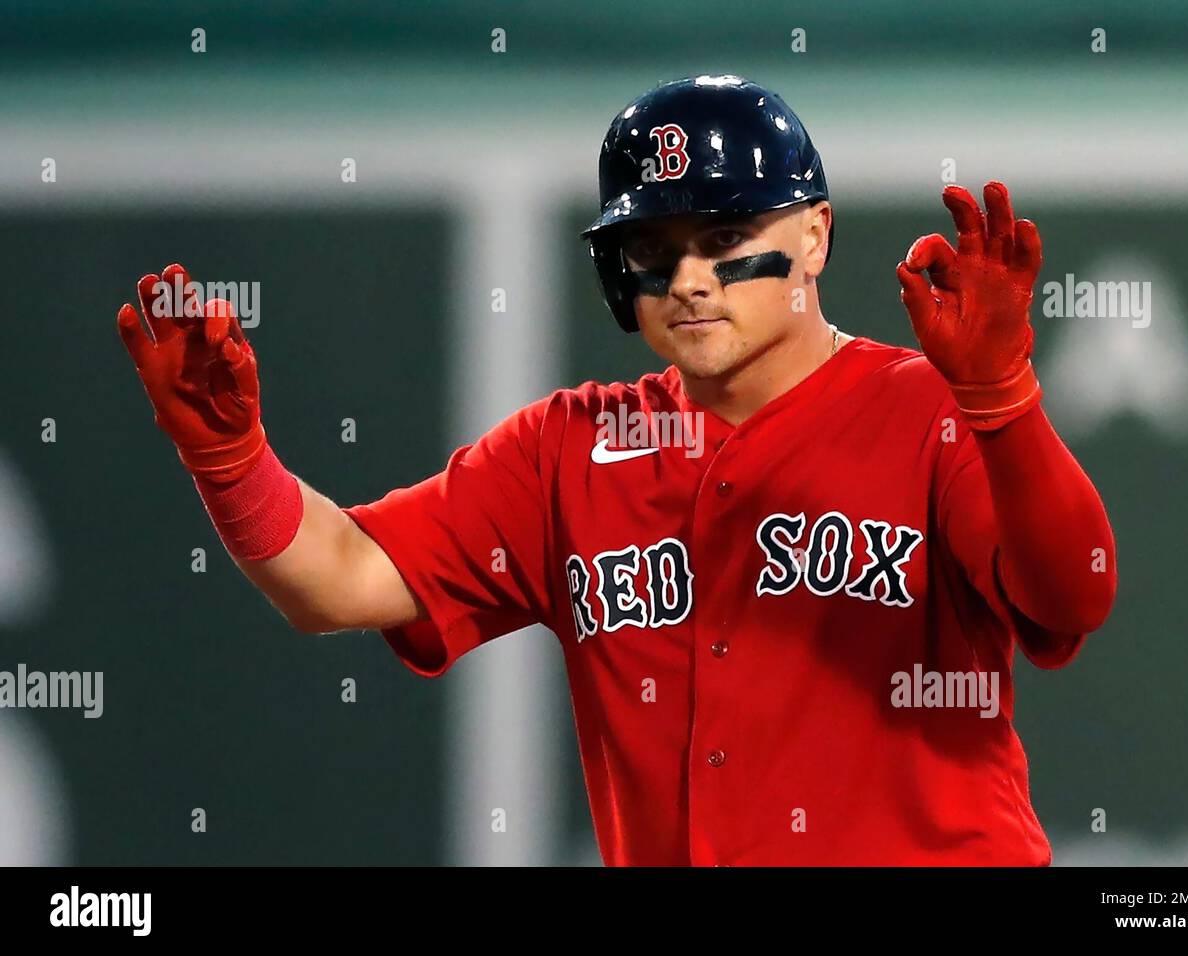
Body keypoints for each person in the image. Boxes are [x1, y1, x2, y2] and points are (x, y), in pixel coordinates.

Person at [117, 74, 1116, 865]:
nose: (686, 277)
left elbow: (1073, 595)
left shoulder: (927, 408)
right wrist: (230, 457)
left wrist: (1003, 401)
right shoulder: (568, 449)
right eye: (655, 246)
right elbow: (336, 581)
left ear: (812, 236)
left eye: (725, 239)